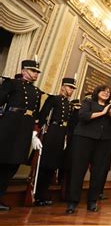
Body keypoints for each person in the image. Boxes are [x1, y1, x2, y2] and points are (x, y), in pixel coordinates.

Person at [65, 85, 111, 214]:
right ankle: (72, 202)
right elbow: (83, 116)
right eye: (103, 91)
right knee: (78, 169)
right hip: (84, 139)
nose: (106, 93)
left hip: (104, 141)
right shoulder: (88, 101)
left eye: (108, 92)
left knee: (98, 172)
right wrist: (103, 113)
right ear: (97, 92)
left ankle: (92, 201)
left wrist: (110, 113)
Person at [0, 60, 43, 211]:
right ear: (24, 71)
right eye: (33, 71)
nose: (36, 74)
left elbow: (36, 114)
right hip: (8, 125)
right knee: (1, 159)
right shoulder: (11, 83)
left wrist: (33, 134)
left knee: (13, 163)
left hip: (25, 129)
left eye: (37, 72)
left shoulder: (37, 91)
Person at [34, 77, 76, 206]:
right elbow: (43, 115)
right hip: (51, 131)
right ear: (63, 86)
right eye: (69, 87)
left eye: (73, 88)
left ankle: (43, 194)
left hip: (61, 134)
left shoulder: (70, 105)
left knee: (52, 165)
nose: (71, 90)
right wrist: (35, 133)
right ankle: (36, 195)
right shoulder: (53, 99)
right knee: (44, 165)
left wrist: (66, 138)